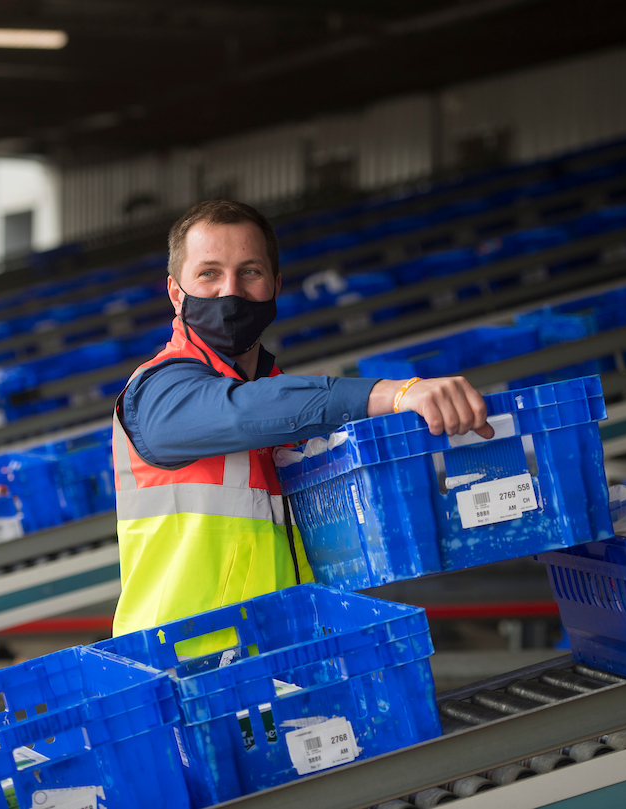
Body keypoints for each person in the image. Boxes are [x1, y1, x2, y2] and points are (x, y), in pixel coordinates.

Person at [111, 200, 494, 648]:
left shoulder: (285, 400)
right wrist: (397, 392)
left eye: (249, 272)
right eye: (209, 273)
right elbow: (243, 410)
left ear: (275, 286)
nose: (230, 291)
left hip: (278, 660)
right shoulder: (156, 392)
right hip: (181, 677)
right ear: (177, 293)